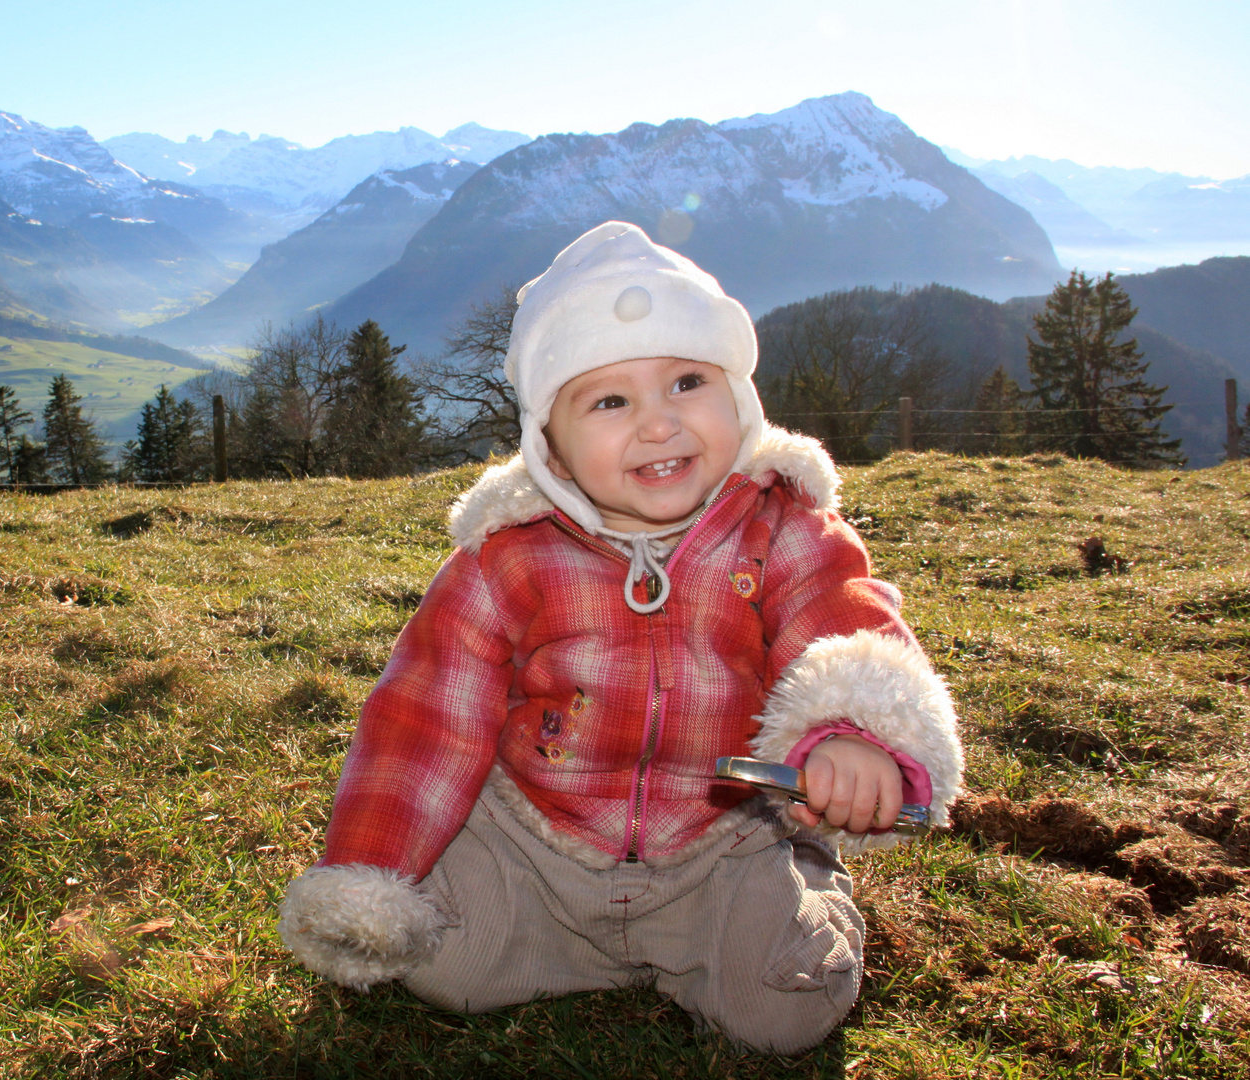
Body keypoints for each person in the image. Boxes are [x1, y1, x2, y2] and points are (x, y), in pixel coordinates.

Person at [277, 221, 964, 1054]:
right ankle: (555, 933)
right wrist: (369, 876)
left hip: (722, 842)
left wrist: (854, 735)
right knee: (447, 970)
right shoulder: (508, 559)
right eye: (609, 400)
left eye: (686, 382)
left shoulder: (784, 529)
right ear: (553, 454)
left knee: (784, 1012)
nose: (659, 423)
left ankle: (797, 881)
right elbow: (425, 715)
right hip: (541, 841)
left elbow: (845, 618)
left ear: (740, 400)